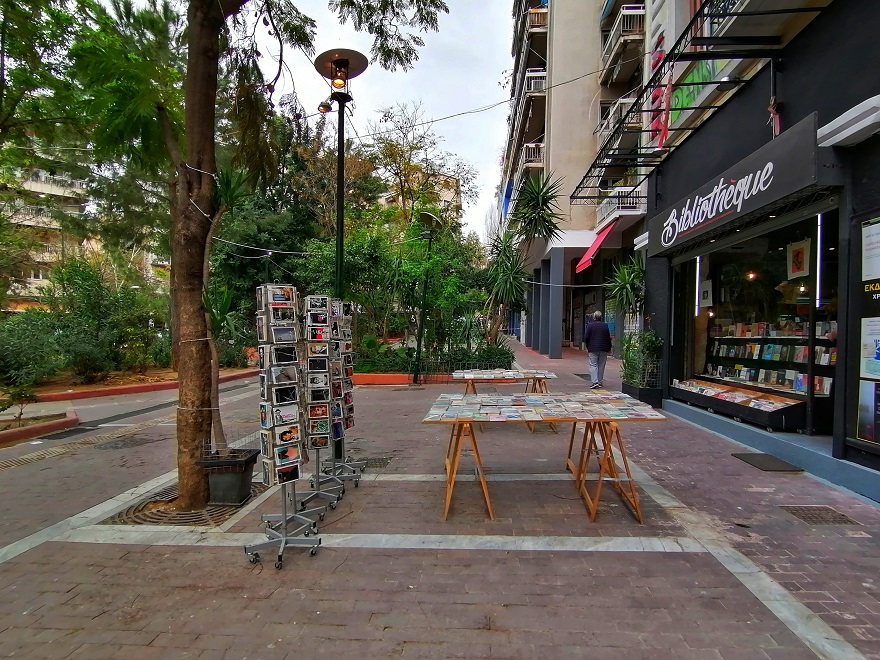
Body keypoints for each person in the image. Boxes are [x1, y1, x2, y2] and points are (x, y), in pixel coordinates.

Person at [584, 310, 612, 389]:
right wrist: (609, 348)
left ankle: (595, 382)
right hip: (603, 348)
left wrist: (588, 346)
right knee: (601, 365)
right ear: (601, 317)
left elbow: (586, 337)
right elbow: (608, 338)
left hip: (593, 348)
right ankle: (600, 382)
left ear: (594, 317)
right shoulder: (605, 325)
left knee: (593, 365)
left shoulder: (590, 325)